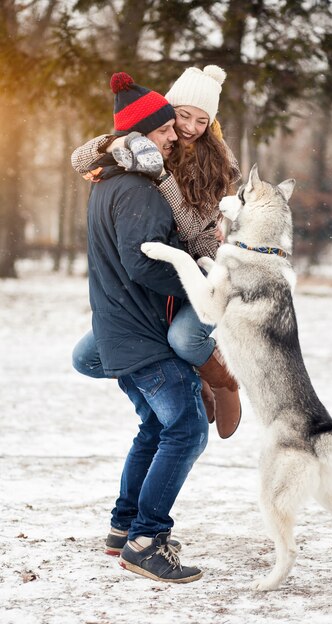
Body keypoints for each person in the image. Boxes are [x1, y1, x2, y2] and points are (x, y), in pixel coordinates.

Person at [83, 71, 208, 583]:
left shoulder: (111, 182)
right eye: (164, 132)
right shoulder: (138, 189)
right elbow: (142, 264)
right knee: (187, 429)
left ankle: (122, 528)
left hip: (121, 327)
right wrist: (197, 279)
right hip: (141, 334)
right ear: (140, 136)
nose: (174, 136)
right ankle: (146, 539)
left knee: (157, 428)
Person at [71, 65, 242, 439]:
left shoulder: (215, 163)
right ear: (167, 110)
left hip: (202, 269)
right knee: (86, 357)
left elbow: (194, 231)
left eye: (202, 120)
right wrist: (115, 144)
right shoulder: (151, 138)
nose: (190, 127)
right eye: (183, 115)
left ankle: (223, 378)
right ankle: (188, 374)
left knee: (183, 339)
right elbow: (80, 160)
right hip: (161, 273)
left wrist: (163, 181)